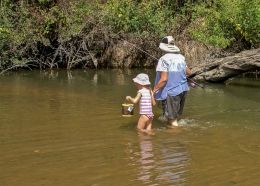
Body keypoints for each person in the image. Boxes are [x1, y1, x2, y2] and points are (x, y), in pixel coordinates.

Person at [153, 36, 191, 127]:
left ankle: (175, 138)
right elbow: (189, 72)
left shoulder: (163, 59)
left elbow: (164, 79)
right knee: (173, 116)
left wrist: (154, 90)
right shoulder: (181, 57)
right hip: (183, 90)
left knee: (172, 121)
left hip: (172, 92)